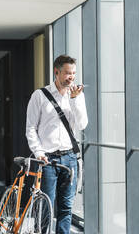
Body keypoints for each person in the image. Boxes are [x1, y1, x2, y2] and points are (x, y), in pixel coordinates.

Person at [26, 55, 88, 233]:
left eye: (74, 73)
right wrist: (38, 152)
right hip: (47, 160)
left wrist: (76, 100)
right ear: (57, 72)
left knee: (66, 208)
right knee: (46, 207)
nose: (72, 77)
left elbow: (82, 124)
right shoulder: (40, 95)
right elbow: (30, 128)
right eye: (68, 73)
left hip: (69, 158)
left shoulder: (76, 96)